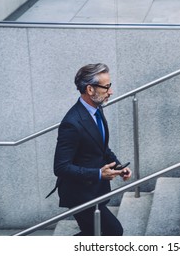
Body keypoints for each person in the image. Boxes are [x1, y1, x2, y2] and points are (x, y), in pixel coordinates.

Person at [52, 63, 131, 236]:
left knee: (90, 233)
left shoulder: (96, 109)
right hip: (80, 193)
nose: (110, 92)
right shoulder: (72, 123)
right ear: (90, 89)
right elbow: (60, 167)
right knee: (113, 231)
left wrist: (118, 167)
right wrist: (98, 173)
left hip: (95, 190)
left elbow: (101, 148)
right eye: (106, 87)